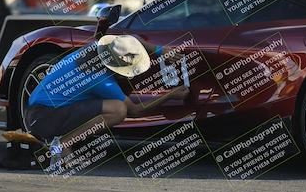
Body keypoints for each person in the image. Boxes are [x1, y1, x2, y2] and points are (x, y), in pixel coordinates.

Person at [25, 34, 189, 145]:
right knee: (118, 109)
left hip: (35, 112)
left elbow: (129, 40)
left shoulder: (95, 49)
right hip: (43, 119)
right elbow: (135, 111)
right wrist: (171, 95)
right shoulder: (100, 80)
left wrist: (159, 50)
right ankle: (63, 144)